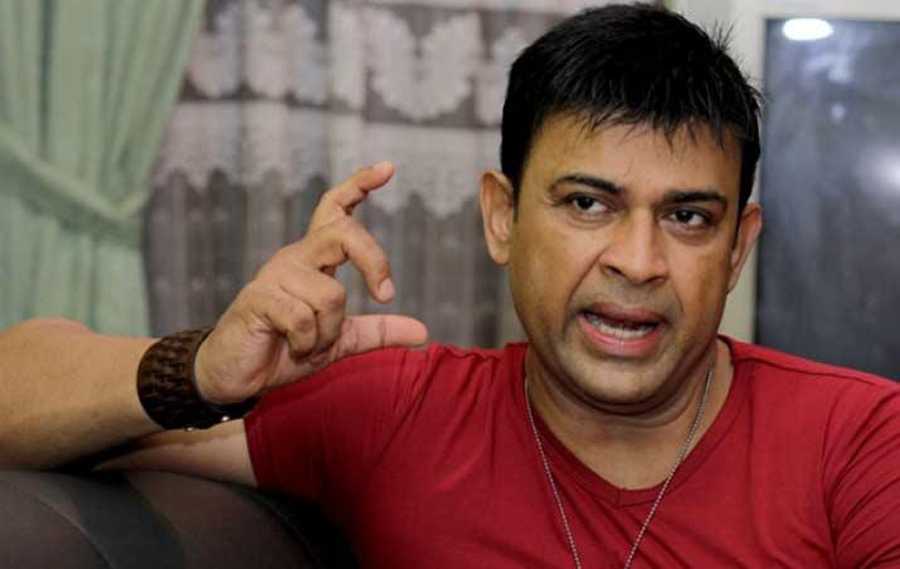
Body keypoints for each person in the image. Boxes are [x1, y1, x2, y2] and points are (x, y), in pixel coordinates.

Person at [3, 3, 900, 567]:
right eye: (588, 203)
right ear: (501, 217)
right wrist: (200, 369)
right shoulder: (403, 414)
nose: (638, 261)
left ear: (738, 247)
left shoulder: (857, 442)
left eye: (689, 217)